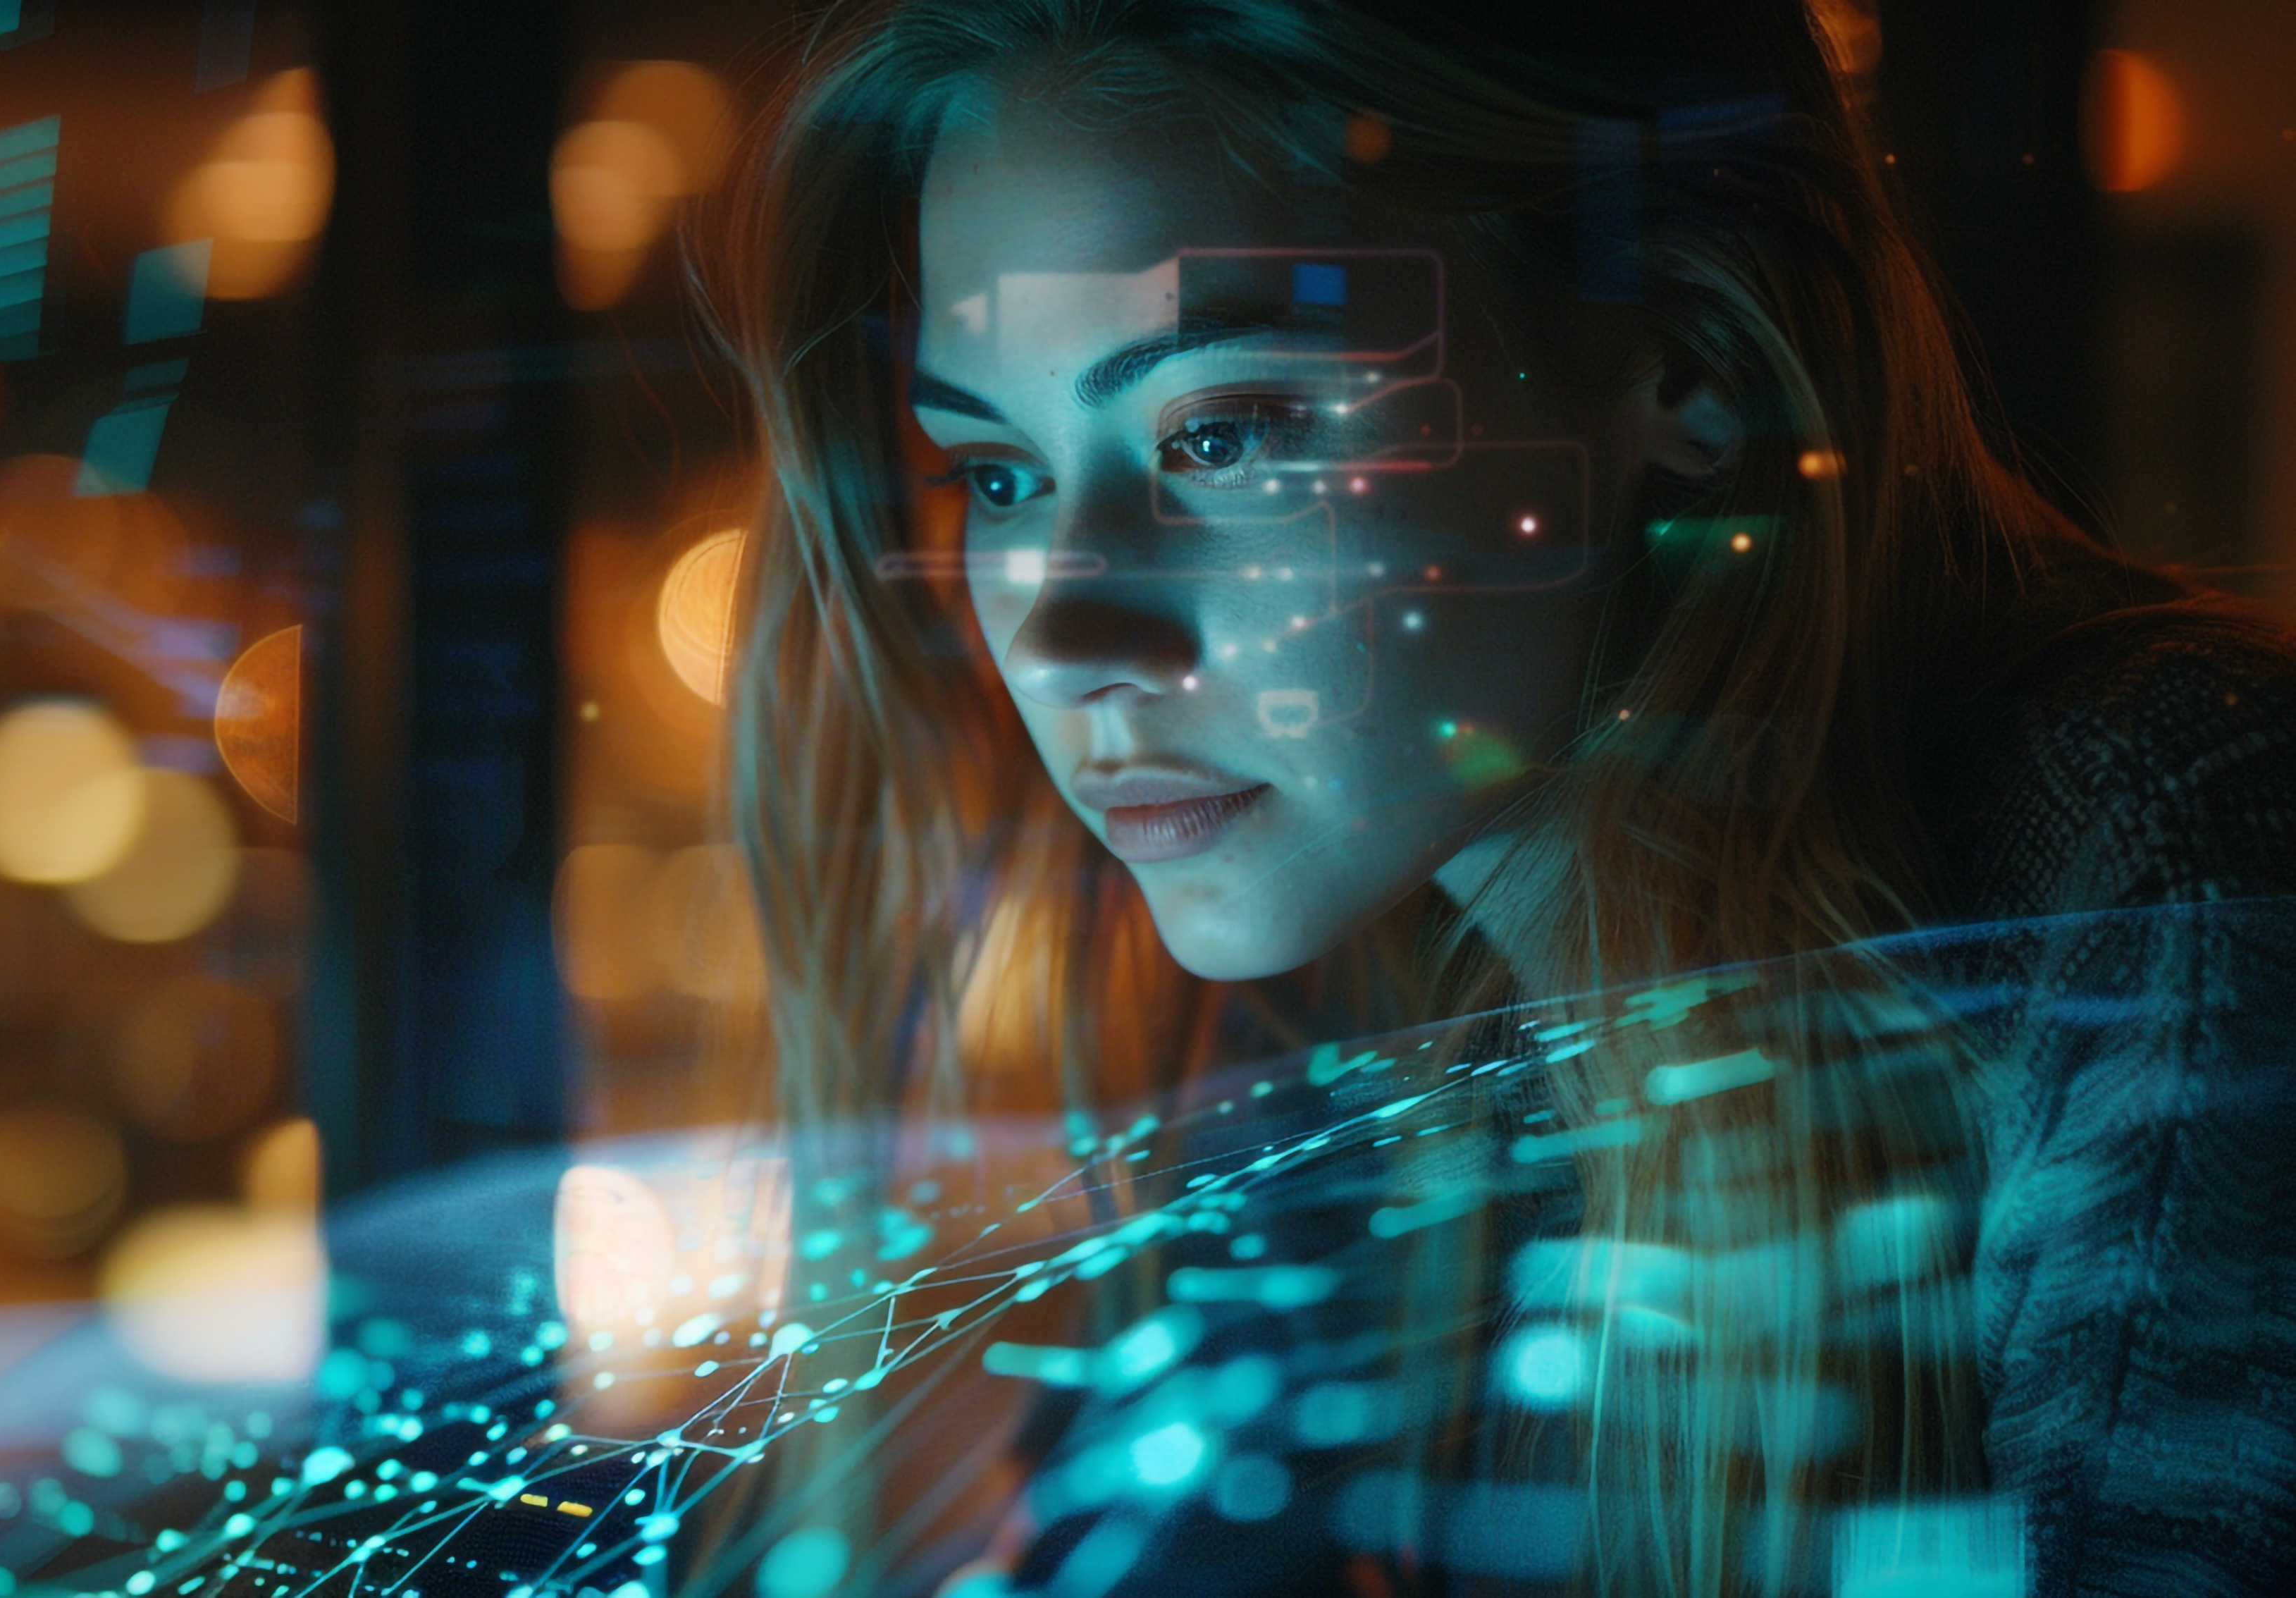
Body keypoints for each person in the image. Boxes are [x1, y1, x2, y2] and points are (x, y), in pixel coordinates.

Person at [696, 0, 2296, 1591]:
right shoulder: (1370, 1039)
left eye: (1228, 432)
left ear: (1688, 361)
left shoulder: (2190, 875)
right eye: (999, 476)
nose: (1060, 630)